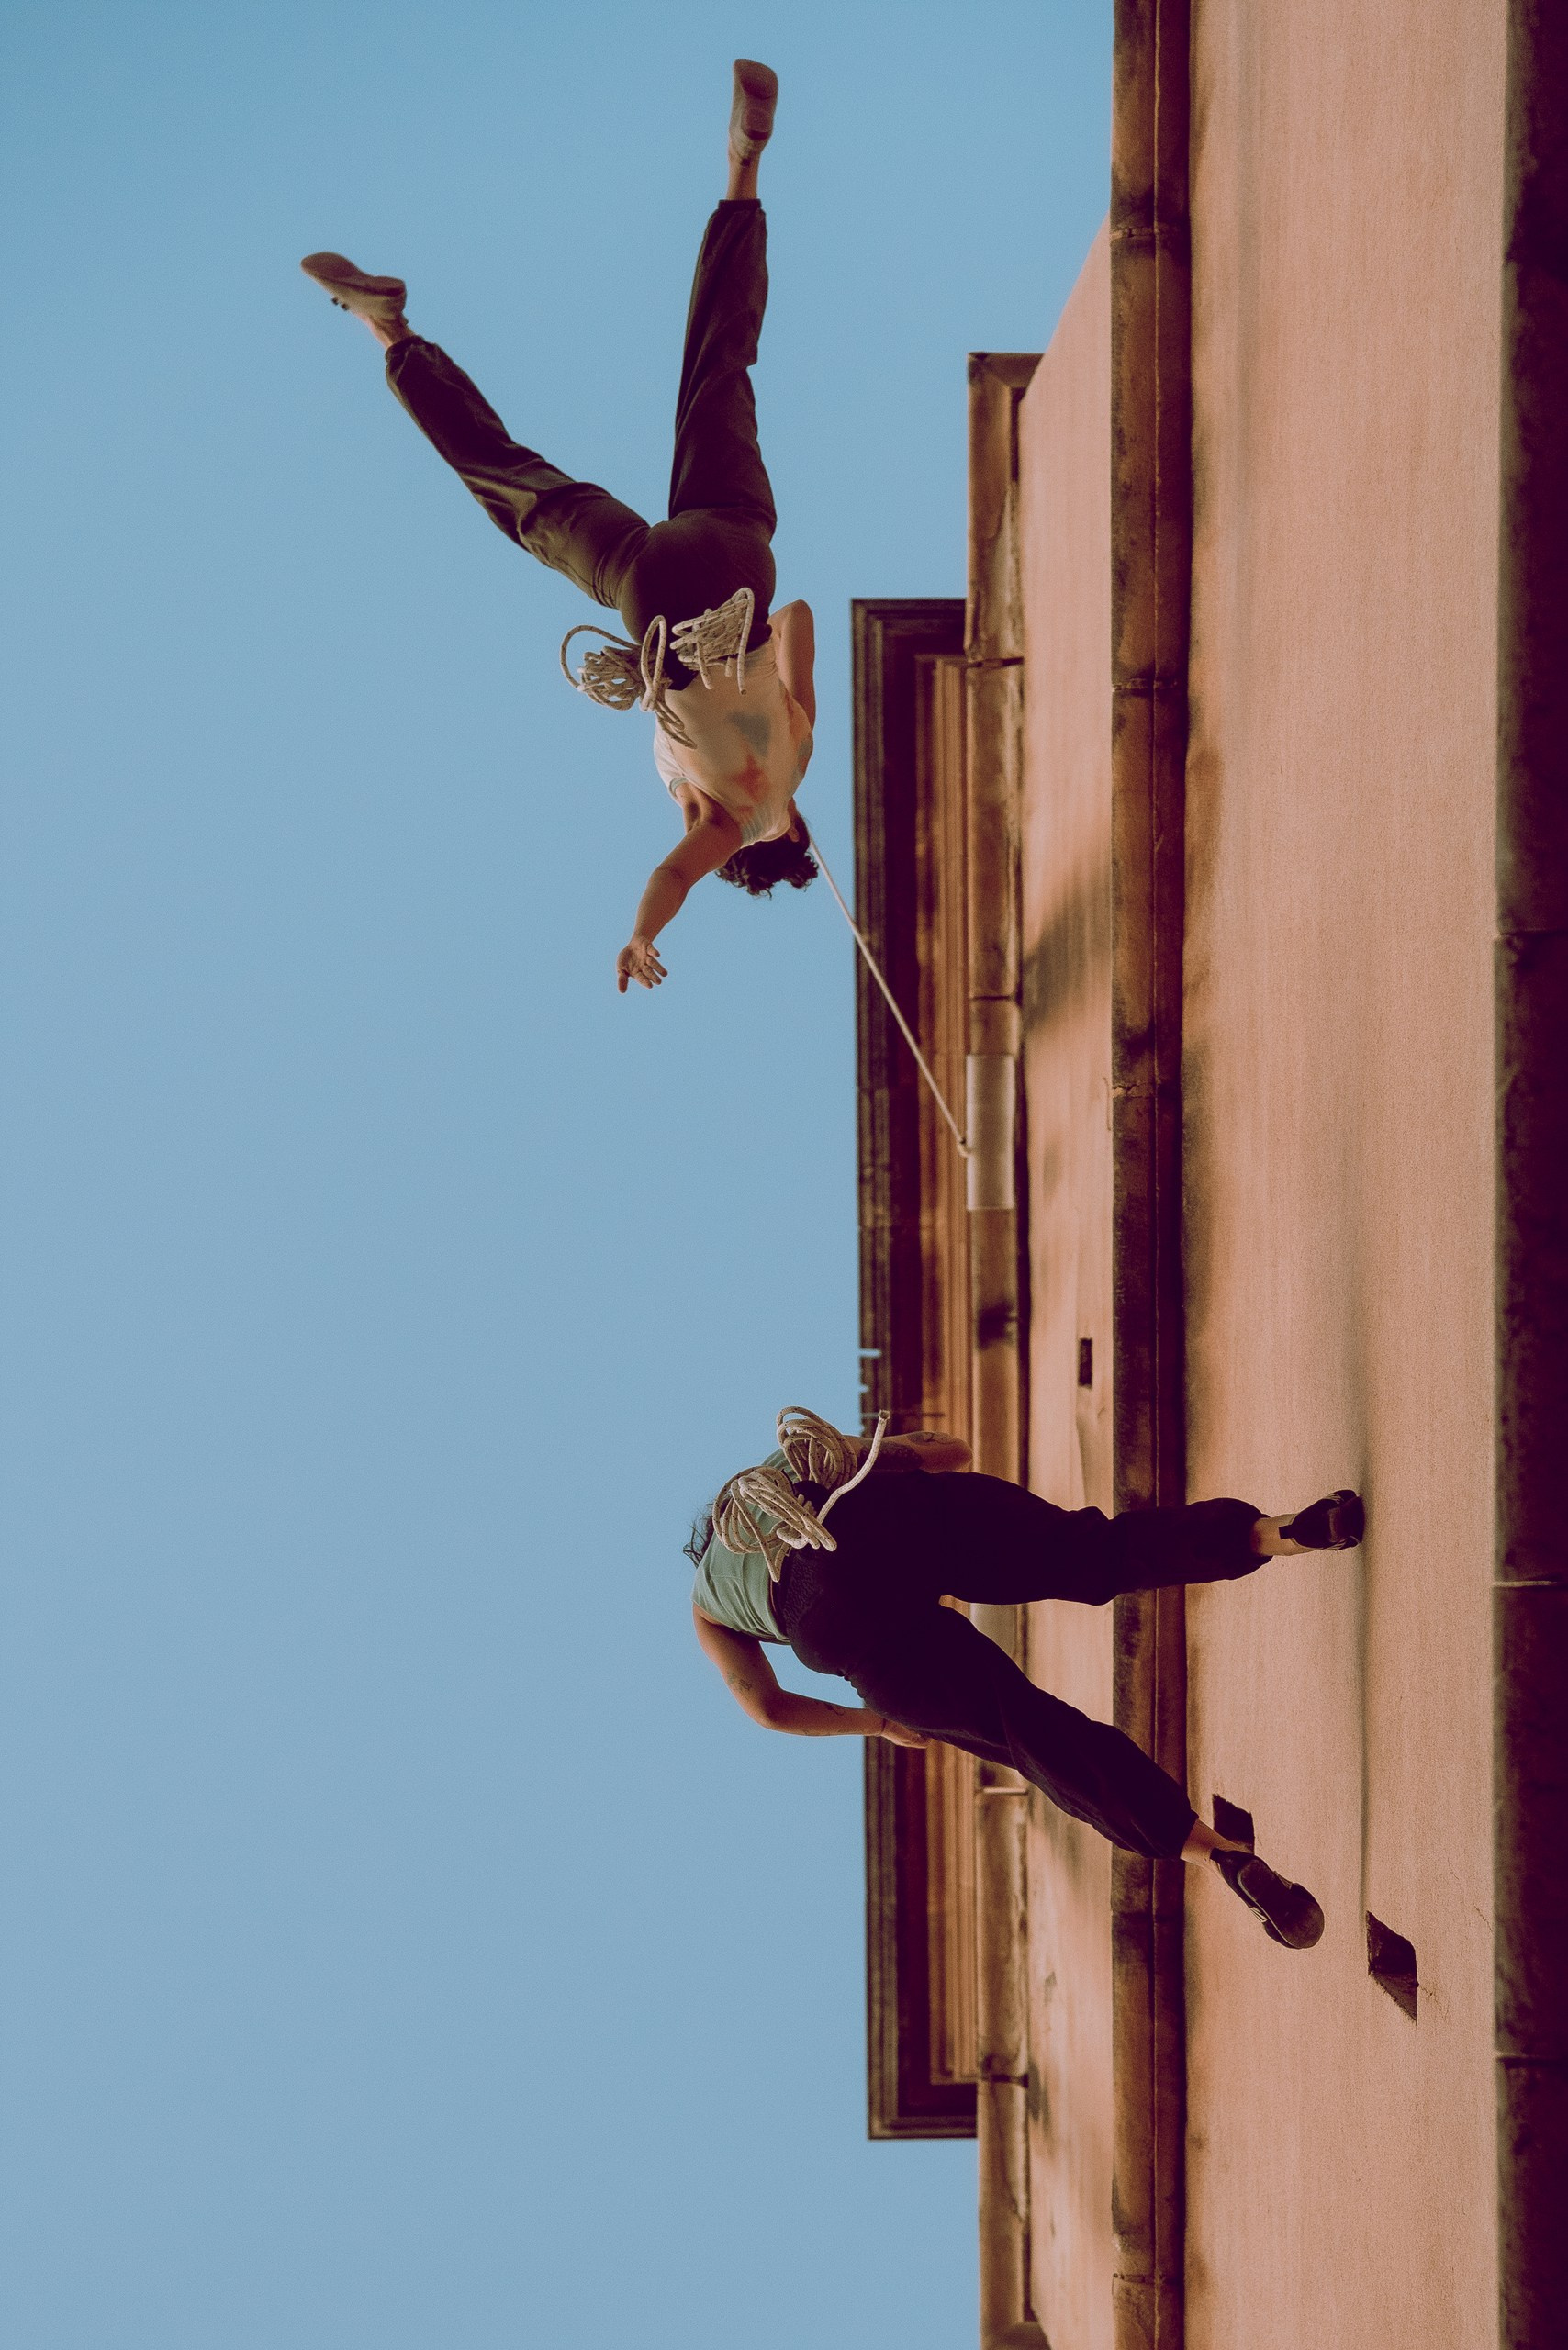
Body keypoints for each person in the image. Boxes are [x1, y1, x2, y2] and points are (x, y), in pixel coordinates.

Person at [299, 60, 814, 997]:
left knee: (720, 373)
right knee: (509, 486)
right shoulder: (727, 821)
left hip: (738, 559)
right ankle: (390, 333)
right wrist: (639, 936)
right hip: (654, 601)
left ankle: (744, 164)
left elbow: (809, 619)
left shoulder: (801, 744)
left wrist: (769, 640)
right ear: (756, 842)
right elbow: (670, 875)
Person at [689, 1409, 1367, 1950]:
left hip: (826, 1618)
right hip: (877, 1513)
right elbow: (948, 1450)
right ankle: (1278, 1532)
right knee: (1094, 1552)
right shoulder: (792, 1462)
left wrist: (881, 1723)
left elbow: (769, 1709)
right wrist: (891, 1455)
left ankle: (1216, 1855)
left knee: (1031, 1735)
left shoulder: (707, 1607)